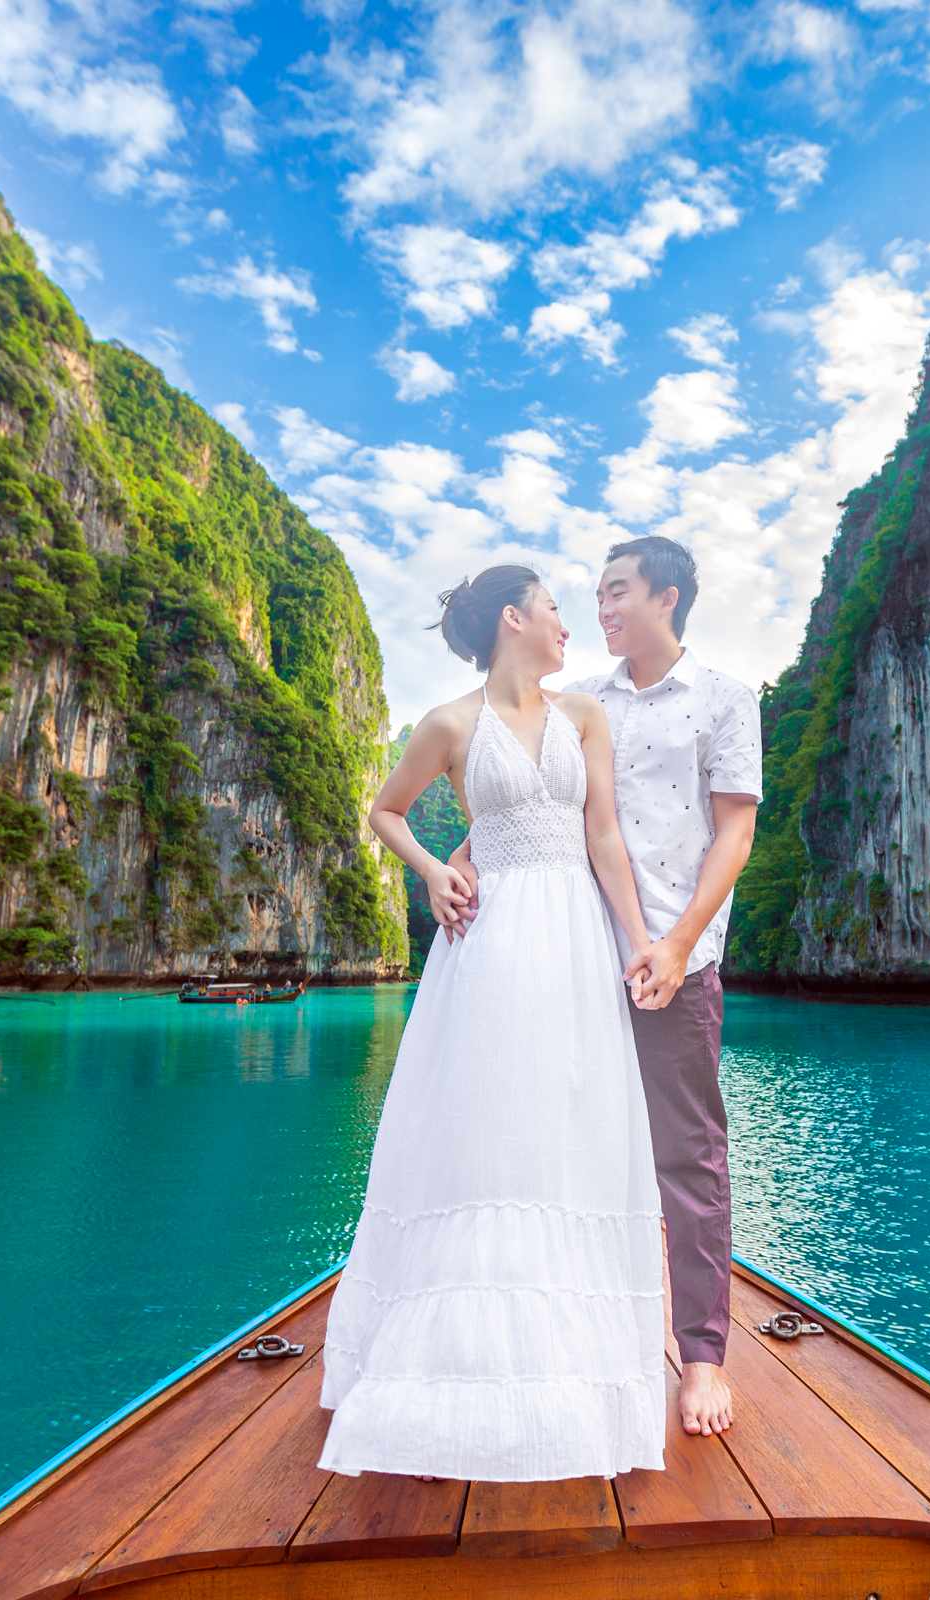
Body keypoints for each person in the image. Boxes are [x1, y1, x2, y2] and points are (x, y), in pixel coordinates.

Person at [316, 565, 670, 1482]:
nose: (568, 625)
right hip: (493, 939)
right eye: (556, 608)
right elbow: (384, 811)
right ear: (515, 618)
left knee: (569, 1133)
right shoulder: (450, 724)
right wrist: (435, 873)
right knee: (484, 1138)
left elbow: (604, 841)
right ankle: (454, 1370)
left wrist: (638, 941)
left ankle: (568, 1369)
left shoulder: (583, 717)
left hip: (576, 944)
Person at [453, 536, 761, 1438]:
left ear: (667, 596)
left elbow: (734, 837)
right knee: (555, 1148)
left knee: (688, 1160)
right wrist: (459, 868)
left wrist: (676, 943)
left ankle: (700, 1358)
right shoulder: (579, 704)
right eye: (592, 595)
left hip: (677, 960)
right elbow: (534, 805)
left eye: (616, 591)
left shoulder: (725, 701)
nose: (601, 608)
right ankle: (562, 1336)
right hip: (569, 961)